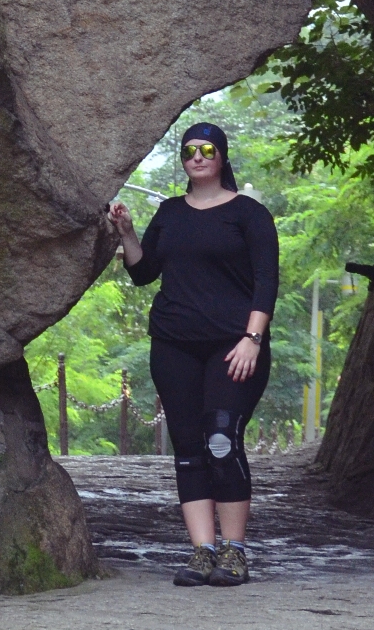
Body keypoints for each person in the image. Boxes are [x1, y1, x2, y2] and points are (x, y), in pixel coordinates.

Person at [107, 119, 279, 588]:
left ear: (222, 156)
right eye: (189, 151)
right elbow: (143, 273)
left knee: (221, 440)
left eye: (206, 150)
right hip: (174, 344)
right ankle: (202, 551)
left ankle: (234, 551)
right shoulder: (170, 212)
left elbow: (267, 281)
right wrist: (127, 233)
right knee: (187, 446)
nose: (197, 158)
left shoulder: (249, 214)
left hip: (234, 346)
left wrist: (252, 339)